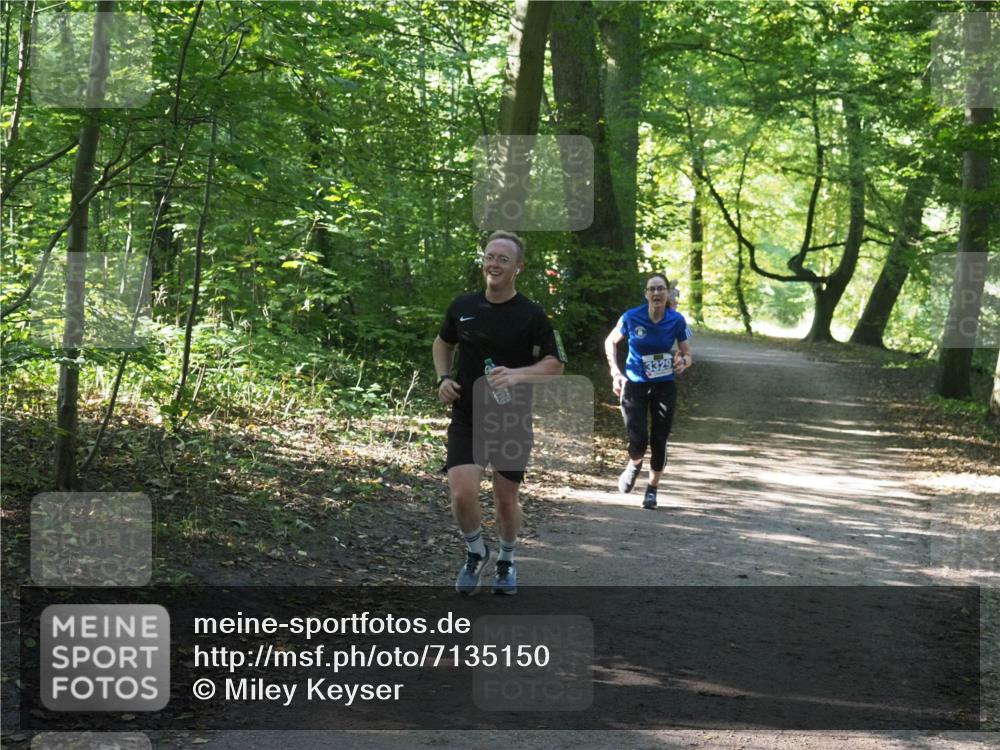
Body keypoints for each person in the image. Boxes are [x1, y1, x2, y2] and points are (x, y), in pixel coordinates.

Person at [433, 231, 566, 595]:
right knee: (462, 493)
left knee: (505, 500)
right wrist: (444, 377)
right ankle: (476, 551)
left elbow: (556, 364)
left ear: (517, 268)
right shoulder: (463, 306)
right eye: (490, 256)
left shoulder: (532, 315)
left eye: (503, 259)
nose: (494, 264)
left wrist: (517, 374)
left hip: (511, 420)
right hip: (468, 416)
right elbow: (442, 343)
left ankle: (506, 558)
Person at [604, 273, 691, 509]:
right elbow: (610, 341)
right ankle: (634, 463)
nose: (656, 293)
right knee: (638, 440)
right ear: (646, 294)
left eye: (660, 288)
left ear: (667, 293)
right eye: (652, 289)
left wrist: (684, 362)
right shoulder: (631, 317)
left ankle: (652, 489)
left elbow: (687, 353)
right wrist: (615, 371)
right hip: (634, 384)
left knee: (659, 439)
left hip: (664, 385)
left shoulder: (677, 320)